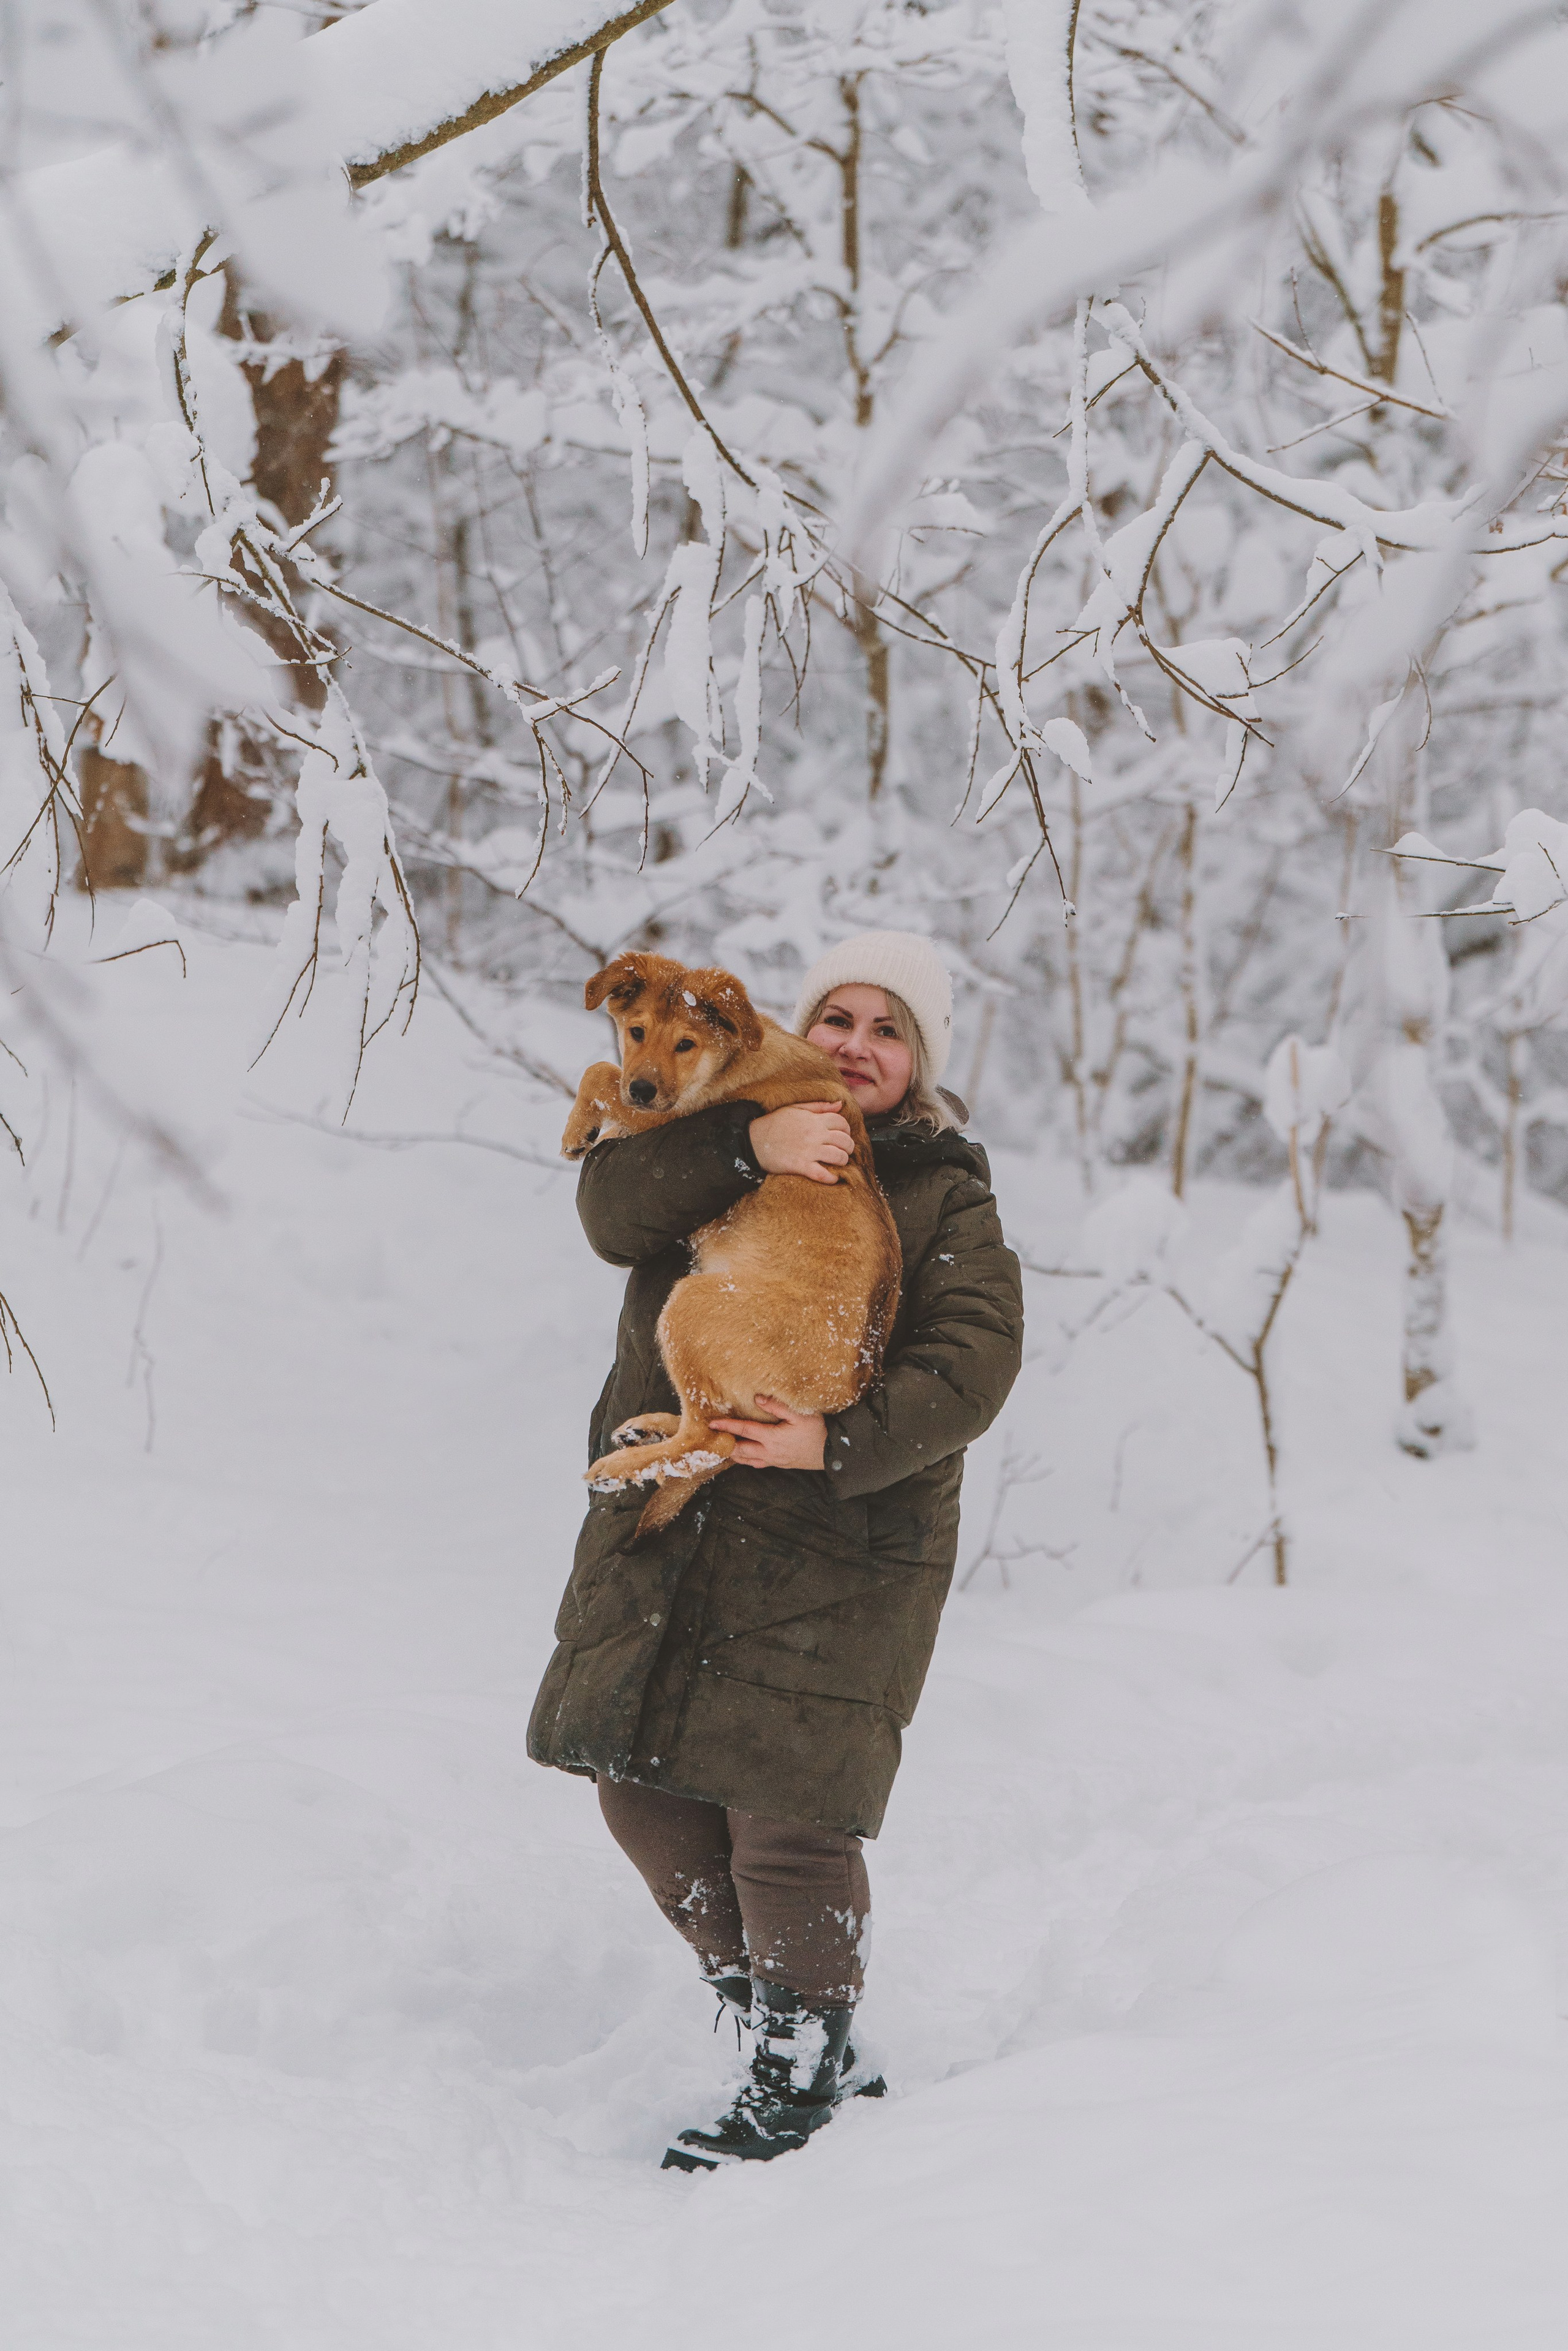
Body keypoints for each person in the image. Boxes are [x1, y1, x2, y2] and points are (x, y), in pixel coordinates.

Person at [527, 930, 1023, 2170]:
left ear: (920, 1059)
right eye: (840, 1017)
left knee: (787, 1819)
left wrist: (834, 1441)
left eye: (889, 1027)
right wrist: (743, 1145)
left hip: (836, 1543)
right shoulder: (716, 1111)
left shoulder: (941, 1186)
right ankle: (772, 2009)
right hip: (676, 1515)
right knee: (636, 1784)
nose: (858, 1042)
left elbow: (972, 1362)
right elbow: (609, 1206)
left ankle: (796, 2070)